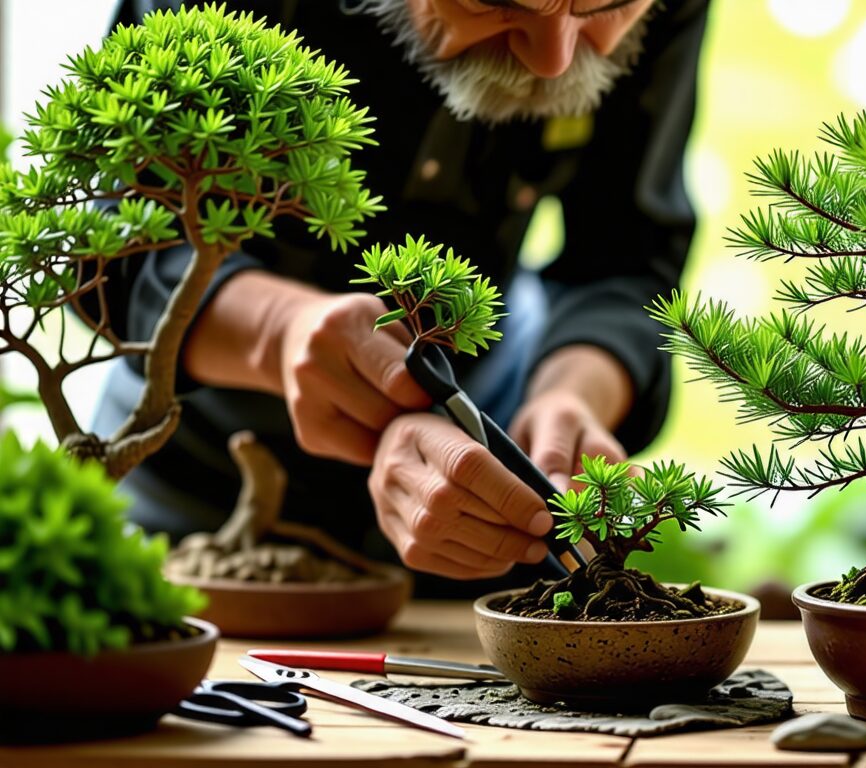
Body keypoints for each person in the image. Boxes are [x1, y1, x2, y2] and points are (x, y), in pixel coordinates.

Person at [95, 0, 707, 594]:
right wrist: (276, 332)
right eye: (497, 2)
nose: (554, 58)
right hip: (201, 509)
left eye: (604, 6)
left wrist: (572, 397)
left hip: (483, 504)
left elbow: (628, 253)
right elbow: (117, 241)